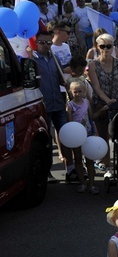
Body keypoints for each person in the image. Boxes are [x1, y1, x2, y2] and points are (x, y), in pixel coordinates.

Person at [88, 33, 118, 179]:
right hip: (102, 103)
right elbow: (96, 87)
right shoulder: (93, 64)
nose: (106, 49)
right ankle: (107, 165)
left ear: (113, 47)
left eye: (108, 46)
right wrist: (107, 100)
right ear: (98, 47)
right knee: (103, 135)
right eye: (102, 46)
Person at [33, 31, 74, 181]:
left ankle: (70, 169)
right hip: (44, 106)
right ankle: (47, 171)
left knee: (66, 136)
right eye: (42, 42)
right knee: (47, 140)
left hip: (58, 102)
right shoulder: (32, 60)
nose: (46, 46)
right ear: (36, 43)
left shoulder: (54, 58)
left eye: (49, 43)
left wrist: (66, 82)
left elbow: (59, 79)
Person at [67, 80, 99, 194]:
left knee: (90, 159)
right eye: (75, 92)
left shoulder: (86, 102)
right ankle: (82, 183)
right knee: (78, 159)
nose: (77, 94)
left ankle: (91, 184)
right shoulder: (69, 106)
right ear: (71, 92)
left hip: (88, 133)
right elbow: (70, 123)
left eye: (80, 91)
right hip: (76, 136)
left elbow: (91, 117)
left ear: (84, 91)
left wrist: (95, 131)